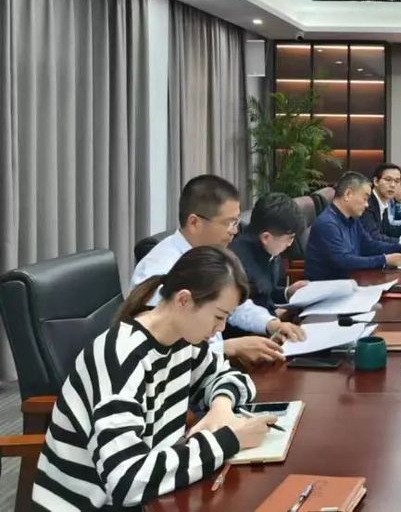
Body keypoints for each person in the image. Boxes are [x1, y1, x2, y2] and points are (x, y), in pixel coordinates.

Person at [33, 246, 275, 510]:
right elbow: (126, 482)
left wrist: (221, 407)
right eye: (218, 316)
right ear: (184, 300)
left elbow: (232, 378)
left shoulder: (183, 340)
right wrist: (229, 440)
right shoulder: (121, 357)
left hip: (153, 492)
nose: (221, 328)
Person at [130, 175, 302, 364]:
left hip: (215, 367)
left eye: (236, 222)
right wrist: (230, 347)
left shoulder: (210, 256)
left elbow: (233, 305)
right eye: (229, 223)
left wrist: (271, 324)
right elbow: (165, 353)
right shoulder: (161, 269)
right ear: (194, 223)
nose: (234, 231)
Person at [306, 171, 401, 280]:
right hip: (329, 286)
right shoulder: (327, 224)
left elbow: (369, 245)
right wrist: (384, 260)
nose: (367, 205)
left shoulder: (352, 218)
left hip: (351, 280)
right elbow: (344, 261)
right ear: (348, 194)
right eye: (365, 198)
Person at [229, 192, 309, 314]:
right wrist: (278, 316)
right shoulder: (239, 265)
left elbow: (267, 294)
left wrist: (288, 292)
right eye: (290, 238)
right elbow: (245, 312)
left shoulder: (268, 248)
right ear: (266, 237)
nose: (290, 244)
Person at [361, 162, 401, 241]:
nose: (392, 185)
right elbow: (374, 238)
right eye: (388, 179)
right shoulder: (367, 203)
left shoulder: (383, 202)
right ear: (376, 181)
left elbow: (388, 230)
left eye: (397, 181)